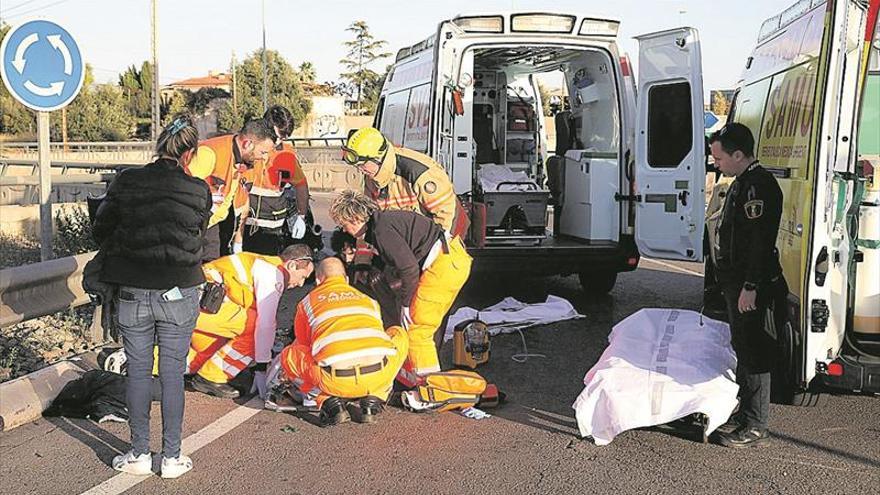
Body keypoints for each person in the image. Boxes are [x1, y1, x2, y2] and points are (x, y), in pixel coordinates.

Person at [92, 115, 211, 479]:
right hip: (179, 292)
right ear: (189, 154)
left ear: (158, 146)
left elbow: (101, 229)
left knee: (139, 374)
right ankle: (172, 458)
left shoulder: (127, 181)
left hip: (133, 292)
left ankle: (139, 453)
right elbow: (199, 235)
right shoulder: (199, 190)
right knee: (172, 375)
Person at [329, 190, 472, 386]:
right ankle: (422, 379)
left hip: (444, 264)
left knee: (417, 328)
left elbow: (408, 267)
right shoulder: (382, 223)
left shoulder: (381, 230)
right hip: (449, 258)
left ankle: (430, 388)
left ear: (354, 218)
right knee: (420, 325)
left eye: (344, 225)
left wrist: (405, 304)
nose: (344, 231)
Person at [709, 123, 785, 448]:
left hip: (750, 284)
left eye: (719, 157)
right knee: (742, 347)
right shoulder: (743, 182)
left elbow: (759, 243)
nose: (716, 163)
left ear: (738, 154)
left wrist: (750, 286)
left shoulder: (758, 187)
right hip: (737, 281)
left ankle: (756, 425)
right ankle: (745, 413)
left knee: (754, 351)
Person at [276, 257, 409, 426]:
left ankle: (327, 401)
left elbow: (304, 345)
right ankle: (375, 397)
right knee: (398, 334)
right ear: (346, 279)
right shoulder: (369, 299)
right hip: (377, 374)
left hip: (335, 380)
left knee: (291, 354)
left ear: (318, 280)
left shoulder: (307, 303)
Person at [187, 244, 315, 399]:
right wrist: (261, 367)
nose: (301, 284)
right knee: (254, 325)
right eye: (303, 277)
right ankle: (212, 377)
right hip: (204, 305)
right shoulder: (274, 274)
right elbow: (265, 324)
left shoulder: (262, 263)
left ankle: (154, 365)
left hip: (198, 304)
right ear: (292, 265)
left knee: (205, 357)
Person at [342, 127, 468, 238]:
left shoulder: (419, 173)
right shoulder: (372, 176)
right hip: (412, 238)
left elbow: (446, 216)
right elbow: (372, 219)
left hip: (448, 232)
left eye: (362, 165)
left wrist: (437, 254)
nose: (360, 170)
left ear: (378, 158)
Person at [183, 119, 277, 260]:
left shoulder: (242, 158)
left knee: (212, 271)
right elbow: (182, 191)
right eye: (263, 152)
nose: (264, 158)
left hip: (211, 225)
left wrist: (238, 241)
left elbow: (241, 200)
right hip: (190, 228)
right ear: (247, 144)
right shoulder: (209, 154)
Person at [240, 105, 314, 255]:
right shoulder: (246, 146)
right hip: (242, 222)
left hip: (271, 229)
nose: (278, 141)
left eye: (283, 138)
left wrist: (301, 216)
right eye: (277, 136)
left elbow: (301, 185)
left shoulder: (286, 154)